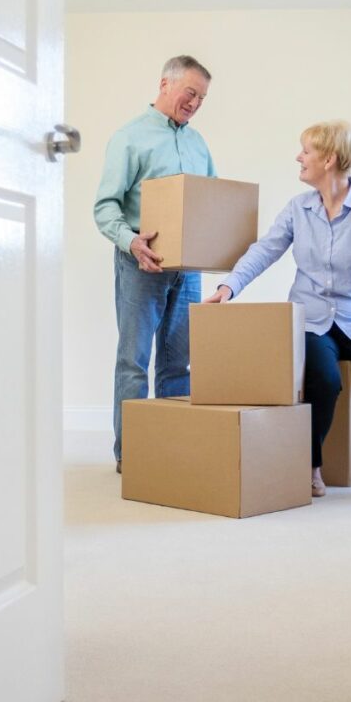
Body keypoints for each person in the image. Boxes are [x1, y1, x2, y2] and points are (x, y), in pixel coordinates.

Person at [204, 120, 351, 502]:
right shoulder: (298, 208)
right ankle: (311, 467)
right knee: (324, 378)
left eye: (306, 151)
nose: (298, 157)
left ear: (329, 158)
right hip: (312, 322)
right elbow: (265, 250)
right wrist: (228, 286)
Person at [95, 55, 216, 473]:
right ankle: (131, 453)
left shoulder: (198, 144)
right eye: (190, 93)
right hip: (140, 267)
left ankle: (173, 445)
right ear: (166, 84)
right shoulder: (129, 138)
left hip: (188, 271)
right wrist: (131, 243)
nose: (196, 103)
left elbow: (210, 201)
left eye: (202, 97)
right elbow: (105, 206)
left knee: (177, 363)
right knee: (133, 361)